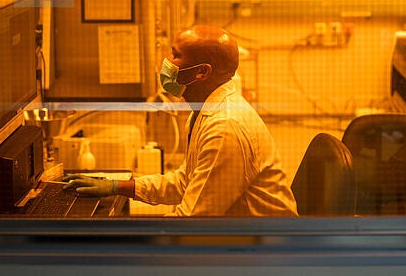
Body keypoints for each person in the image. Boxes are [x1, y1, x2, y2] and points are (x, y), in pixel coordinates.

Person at [64, 25, 298, 217]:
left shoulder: (225, 127)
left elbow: (193, 220)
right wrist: (118, 187)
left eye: (175, 55)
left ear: (202, 72)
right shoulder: (205, 110)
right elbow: (185, 183)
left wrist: (131, 238)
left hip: (265, 256)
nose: (166, 61)